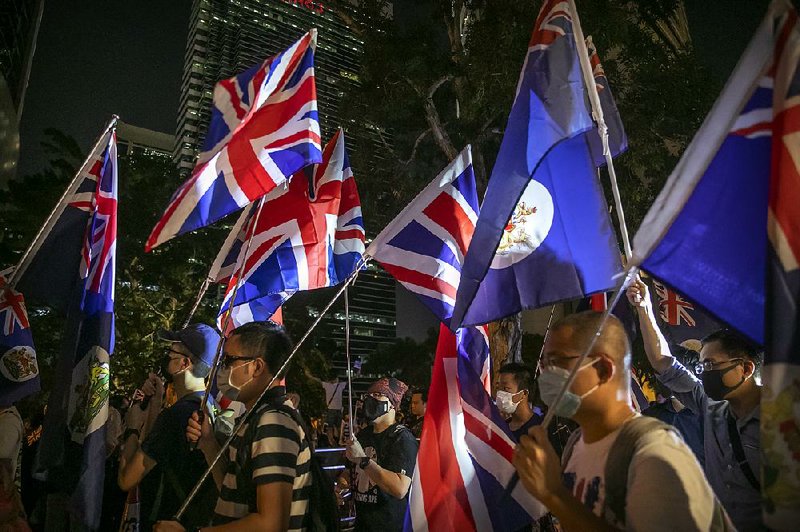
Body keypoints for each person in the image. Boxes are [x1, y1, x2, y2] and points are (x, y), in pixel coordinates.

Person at [513, 311, 723, 531]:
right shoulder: (576, 443)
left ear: (603, 369)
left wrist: (553, 494)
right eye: (544, 364)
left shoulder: (652, 451)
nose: (545, 375)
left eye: (556, 361)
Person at [628, 277, 762, 530]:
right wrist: (644, 307)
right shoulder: (711, 406)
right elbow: (662, 361)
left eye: (710, 365)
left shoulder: (783, 418)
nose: (703, 373)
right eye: (701, 366)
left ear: (745, 368)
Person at [155, 321, 313, 532]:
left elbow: (271, 523)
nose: (221, 369)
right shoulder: (256, 417)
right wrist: (209, 444)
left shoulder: (273, 423)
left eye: (229, 360)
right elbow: (234, 493)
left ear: (256, 367)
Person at [118, 323, 220, 531]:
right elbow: (155, 451)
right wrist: (157, 401)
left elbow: (127, 479)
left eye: (170, 352)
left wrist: (132, 428)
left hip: (168, 522)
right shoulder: (210, 406)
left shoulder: (177, 416)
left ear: (184, 363)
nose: (166, 356)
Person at [344, 377, 417, 532]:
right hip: (362, 525)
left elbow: (400, 488)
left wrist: (364, 461)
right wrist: (340, 487)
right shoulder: (363, 435)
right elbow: (349, 471)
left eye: (377, 395)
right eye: (368, 396)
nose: (371, 400)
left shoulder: (401, 438)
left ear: (392, 404)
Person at [496, 363, 543, 442]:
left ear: (524, 393)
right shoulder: (501, 428)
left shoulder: (540, 428)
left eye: (506, 388)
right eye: (498, 388)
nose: (500, 394)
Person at [305, 368, 345, 446]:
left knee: (330, 426)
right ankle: (337, 440)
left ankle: (331, 440)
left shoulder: (327, 385)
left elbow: (318, 381)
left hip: (331, 409)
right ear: (336, 378)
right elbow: (350, 381)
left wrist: (309, 375)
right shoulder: (340, 385)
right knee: (337, 426)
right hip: (338, 409)